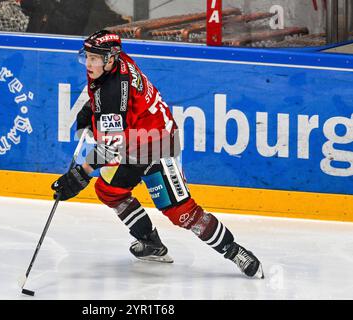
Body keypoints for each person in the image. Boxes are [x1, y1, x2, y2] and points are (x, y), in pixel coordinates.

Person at [51, 30, 264, 279]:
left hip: (157, 144)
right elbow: (120, 104)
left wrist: (80, 174)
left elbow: (109, 146)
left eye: (94, 59)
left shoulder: (111, 87)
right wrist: (91, 108)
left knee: (181, 213)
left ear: (110, 59)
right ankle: (151, 242)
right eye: (87, 57)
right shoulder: (114, 64)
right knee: (109, 191)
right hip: (133, 141)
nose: (88, 63)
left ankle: (234, 250)